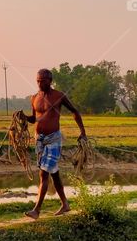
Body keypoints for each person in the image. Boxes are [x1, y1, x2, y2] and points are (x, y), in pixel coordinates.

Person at [19, 68, 87, 219]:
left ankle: (36, 210)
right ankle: (65, 204)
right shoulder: (34, 97)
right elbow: (34, 118)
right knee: (53, 173)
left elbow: (75, 111)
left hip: (54, 139)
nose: (39, 83)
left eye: (42, 81)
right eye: (37, 80)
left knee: (44, 173)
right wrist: (23, 117)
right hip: (39, 139)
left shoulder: (59, 96)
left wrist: (82, 132)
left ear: (50, 81)